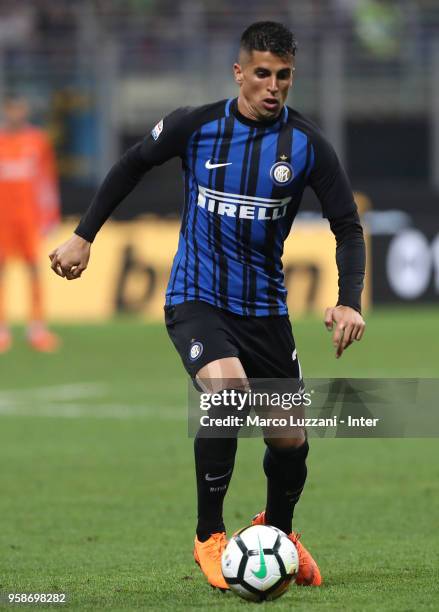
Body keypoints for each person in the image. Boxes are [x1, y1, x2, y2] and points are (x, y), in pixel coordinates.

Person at [49, 22, 366, 590]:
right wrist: (84, 235)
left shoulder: (308, 145)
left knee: (290, 441)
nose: (273, 86)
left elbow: (347, 225)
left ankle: (280, 536)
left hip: (265, 309)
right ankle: (209, 535)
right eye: (263, 74)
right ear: (239, 72)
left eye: (284, 76)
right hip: (197, 297)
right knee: (227, 393)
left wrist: (348, 301)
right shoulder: (195, 126)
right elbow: (129, 166)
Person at [0, 96, 61, 352]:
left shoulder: (38, 141)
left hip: (29, 217)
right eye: (12, 108)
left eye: (20, 108)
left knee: (34, 267)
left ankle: (37, 327)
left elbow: (47, 180)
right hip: (3, 218)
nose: (17, 113)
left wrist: (51, 215)